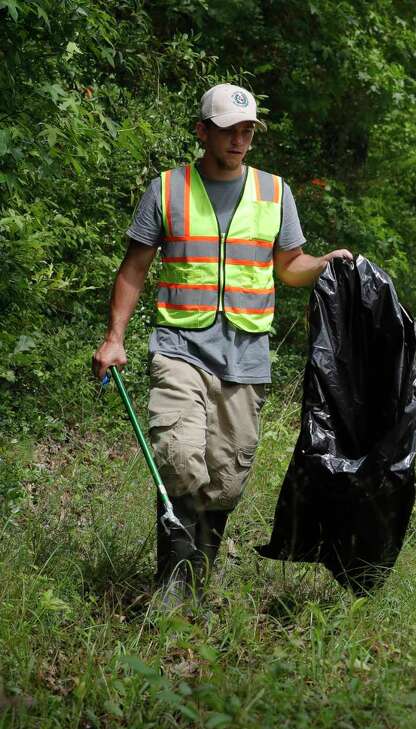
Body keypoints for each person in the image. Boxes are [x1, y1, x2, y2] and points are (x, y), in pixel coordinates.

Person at [91, 83, 352, 606]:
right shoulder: (167, 190)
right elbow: (134, 269)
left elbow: (289, 266)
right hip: (179, 345)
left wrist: (323, 263)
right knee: (180, 458)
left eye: (248, 130)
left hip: (246, 354)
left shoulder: (275, 193)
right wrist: (114, 337)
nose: (240, 139)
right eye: (230, 129)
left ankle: (198, 575)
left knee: (225, 482)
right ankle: (171, 583)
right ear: (203, 131)